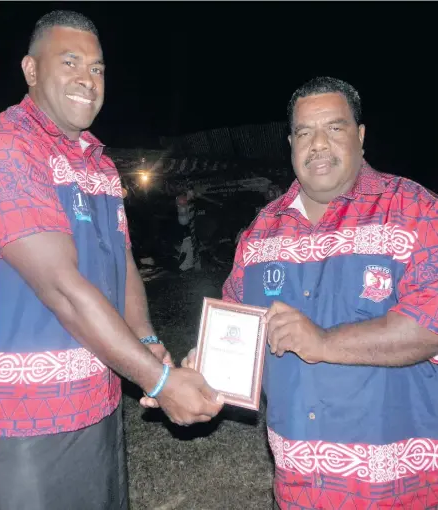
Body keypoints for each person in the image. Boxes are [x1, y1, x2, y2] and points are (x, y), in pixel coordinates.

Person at [0, 10, 223, 510]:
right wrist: (159, 380)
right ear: (30, 70)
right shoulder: (10, 147)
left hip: (97, 401)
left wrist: (146, 343)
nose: (87, 79)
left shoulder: (97, 163)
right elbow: (62, 289)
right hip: (24, 422)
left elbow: (121, 264)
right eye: (70, 62)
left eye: (97, 68)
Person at [182, 77, 438, 508]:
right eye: (304, 132)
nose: (318, 143)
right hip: (298, 491)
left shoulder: (416, 211)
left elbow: (429, 327)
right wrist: (198, 374)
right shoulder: (261, 233)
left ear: (360, 136)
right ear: (290, 143)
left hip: (398, 491)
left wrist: (322, 342)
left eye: (334, 129)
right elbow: (237, 336)